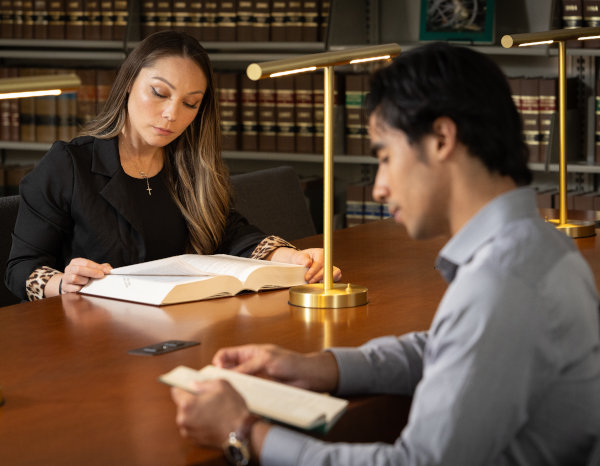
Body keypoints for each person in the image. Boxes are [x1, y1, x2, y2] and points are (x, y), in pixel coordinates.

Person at [170, 42, 600, 465]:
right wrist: (323, 367)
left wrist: (242, 431)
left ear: (441, 139)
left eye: (386, 156)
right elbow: (448, 348)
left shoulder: (502, 283)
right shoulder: (538, 246)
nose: (378, 187)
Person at [5, 31, 340, 302]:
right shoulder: (69, 165)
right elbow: (21, 269)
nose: (172, 114)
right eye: (159, 93)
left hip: (181, 326)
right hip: (97, 334)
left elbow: (231, 233)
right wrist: (63, 283)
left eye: (190, 103)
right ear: (128, 85)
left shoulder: (190, 164)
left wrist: (292, 258)